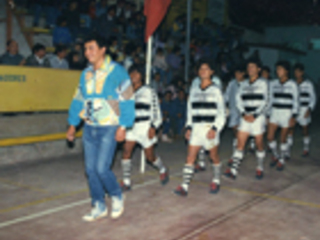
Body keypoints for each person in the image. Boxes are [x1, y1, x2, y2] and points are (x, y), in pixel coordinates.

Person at [66, 34, 135, 221]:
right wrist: (73, 124)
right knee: (90, 170)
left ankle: (116, 195)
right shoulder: (85, 74)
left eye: (91, 48)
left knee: (102, 169)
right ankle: (98, 205)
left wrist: (124, 126)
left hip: (109, 127)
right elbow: (78, 99)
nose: (87, 53)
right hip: (89, 127)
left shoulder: (117, 71)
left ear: (103, 49)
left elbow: (128, 99)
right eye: (86, 49)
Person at [174, 58, 226, 197]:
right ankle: (184, 186)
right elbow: (190, 110)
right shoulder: (194, 89)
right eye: (201, 69)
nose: (203, 71)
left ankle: (216, 179)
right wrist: (189, 127)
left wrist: (215, 129)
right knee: (190, 156)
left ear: (212, 72)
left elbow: (222, 112)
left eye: (206, 68)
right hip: (196, 128)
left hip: (210, 128)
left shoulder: (216, 90)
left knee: (213, 156)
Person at [120, 65, 169, 191]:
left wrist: (153, 127)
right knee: (126, 152)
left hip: (145, 127)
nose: (133, 76)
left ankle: (162, 169)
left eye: (136, 73)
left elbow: (157, 112)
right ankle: (126, 181)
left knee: (150, 157)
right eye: (131, 73)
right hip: (131, 127)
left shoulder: (148, 91)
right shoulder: (126, 91)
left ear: (142, 76)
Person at [225, 59, 268, 180]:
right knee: (240, 144)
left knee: (259, 144)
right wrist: (243, 113)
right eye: (249, 67)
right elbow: (238, 100)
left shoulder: (262, 83)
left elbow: (265, 101)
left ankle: (260, 167)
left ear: (259, 69)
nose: (250, 69)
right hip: (245, 117)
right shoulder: (243, 84)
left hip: (258, 118)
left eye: (253, 67)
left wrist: (255, 115)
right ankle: (233, 170)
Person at [267, 61, 299, 171]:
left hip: (287, 113)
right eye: (277, 69)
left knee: (283, 138)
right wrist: (268, 114)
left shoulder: (292, 84)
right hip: (275, 112)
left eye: (280, 69)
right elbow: (270, 99)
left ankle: (281, 160)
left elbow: (296, 101)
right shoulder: (273, 83)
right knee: (270, 137)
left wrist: (293, 116)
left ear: (286, 71)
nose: (278, 71)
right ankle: (276, 155)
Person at [288, 63, 316, 157]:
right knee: (290, 129)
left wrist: (309, 109)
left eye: (299, 72)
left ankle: (306, 148)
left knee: (305, 130)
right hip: (294, 110)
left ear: (302, 72)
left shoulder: (308, 84)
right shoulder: (292, 83)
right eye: (295, 72)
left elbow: (313, 97)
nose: (297, 74)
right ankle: (287, 150)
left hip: (304, 110)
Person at [224, 64, 246, 155]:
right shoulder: (232, 83)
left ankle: (238, 150)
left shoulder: (247, 83)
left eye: (239, 73)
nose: (237, 75)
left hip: (244, 111)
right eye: (236, 73)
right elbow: (227, 95)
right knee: (235, 129)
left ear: (243, 74)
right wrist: (224, 105)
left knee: (241, 130)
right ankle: (238, 146)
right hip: (233, 109)